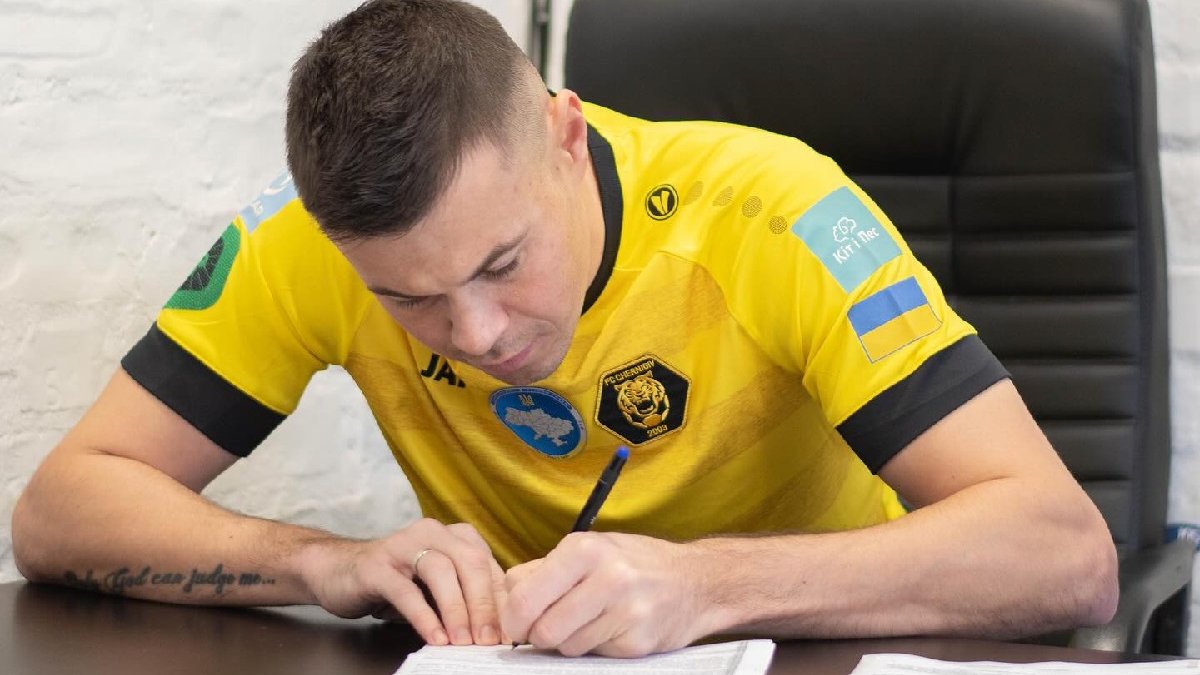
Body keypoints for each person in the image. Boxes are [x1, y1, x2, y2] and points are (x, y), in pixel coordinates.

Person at [12, 0, 1117, 658]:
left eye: (502, 263)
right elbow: (61, 513)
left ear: (565, 135)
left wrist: (706, 587)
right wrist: (323, 560)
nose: (477, 332)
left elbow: (1066, 555)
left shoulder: (777, 211)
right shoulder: (305, 243)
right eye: (409, 300)